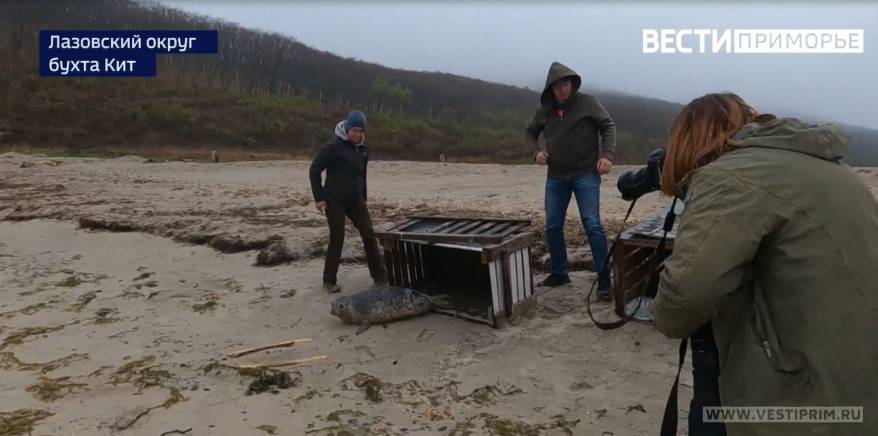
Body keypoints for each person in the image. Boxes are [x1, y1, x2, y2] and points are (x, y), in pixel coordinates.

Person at [653, 93, 878, 436]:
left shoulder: (729, 177)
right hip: (856, 376)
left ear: (689, 140)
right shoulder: (828, 167)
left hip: (800, 395)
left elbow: (682, 301)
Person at [525, 61, 616, 299]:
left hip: (586, 173)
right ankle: (559, 273)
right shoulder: (544, 109)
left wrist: (606, 156)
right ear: (550, 89)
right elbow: (530, 132)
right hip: (556, 176)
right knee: (553, 225)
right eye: (557, 87)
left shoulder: (588, 102)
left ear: (572, 84)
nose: (562, 90)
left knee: (592, 224)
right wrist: (536, 152)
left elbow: (608, 126)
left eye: (565, 84)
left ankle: (604, 279)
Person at [309, 110, 387, 293]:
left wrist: (364, 197)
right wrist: (319, 197)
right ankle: (329, 281)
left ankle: (380, 276)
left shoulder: (363, 149)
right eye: (354, 130)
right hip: (334, 199)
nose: (358, 134)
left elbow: (362, 175)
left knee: (368, 233)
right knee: (338, 238)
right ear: (347, 128)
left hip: (355, 199)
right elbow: (314, 169)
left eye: (361, 131)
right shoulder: (333, 146)